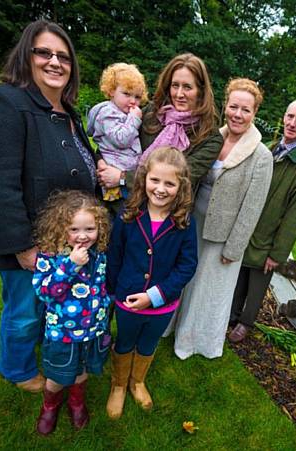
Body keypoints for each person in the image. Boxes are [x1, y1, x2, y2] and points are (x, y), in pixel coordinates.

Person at [0, 20, 100, 393]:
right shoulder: (5, 103)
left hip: (63, 240)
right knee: (25, 313)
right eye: (44, 52)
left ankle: (43, 357)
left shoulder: (68, 112)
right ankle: (18, 370)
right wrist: (23, 246)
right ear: (26, 56)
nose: (55, 62)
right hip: (28, 241)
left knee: (48, 306)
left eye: (63, 56)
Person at [172, 78, 273, 359]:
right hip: (192, 224)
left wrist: (234, 248)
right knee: (184, 279)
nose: (238, 114)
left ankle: (194, 343)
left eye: (245, 110)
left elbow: (253, 208)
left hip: (224, 236)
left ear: (255, 114)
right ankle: (172, 328)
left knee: (207, 292)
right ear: (225, 105)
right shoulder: (210, 137)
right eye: (233, 107)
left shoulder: (261, 156)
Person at [105, 146, 198, 419]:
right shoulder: (128, 214)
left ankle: (138, 381)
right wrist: (112, 293)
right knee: (124, 342)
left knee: (147, 344)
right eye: (155, 180)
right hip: (126, 301)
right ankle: (119, 384)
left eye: (170, 183)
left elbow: (187, 265)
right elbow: (115, 256)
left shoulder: (184, 223)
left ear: (180, 188)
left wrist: (156, 295)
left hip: (162, 306)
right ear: (144, 179)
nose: (160, 189)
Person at [228, 98, 296, 343]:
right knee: (238, 277)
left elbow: (295, 216)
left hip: (269, 238)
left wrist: (278, 253)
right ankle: (231, 316)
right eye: (290, 116)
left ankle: (245, 323)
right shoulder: (268, 148)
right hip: (248, 228)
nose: (292, 123)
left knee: (257, 284)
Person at [31, 190, 112, 435]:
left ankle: (76, 402)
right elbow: (45, 291)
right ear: (60, 228)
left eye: (90, 229)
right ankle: (50, 406)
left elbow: (101, 284)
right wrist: (71, 265)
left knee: (82, 371)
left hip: (92, 330)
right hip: (62, 333)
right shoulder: (51, 256)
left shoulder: (99, 254)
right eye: (74, 229)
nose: (82, 236)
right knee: (57, 375)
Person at [96, 53, 222, 194]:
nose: (179, 94)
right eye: (175, 85)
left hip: (168, 211)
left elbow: (181, 178)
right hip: (125, 202)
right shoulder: (151, 113)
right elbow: (112, 137)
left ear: (200, 91)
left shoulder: (210, 138)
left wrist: (122, 177)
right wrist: (101, 162)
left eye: (187, 87)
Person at [88, 63, 148, 207]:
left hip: (124, 175)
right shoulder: (107, 113)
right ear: (111, 91)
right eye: (126, 94)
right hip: (112, 180)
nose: (133, 101)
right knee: (117, 214)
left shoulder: (123, 112)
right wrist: (134, 119)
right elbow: (120, 140)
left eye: (137, 97)